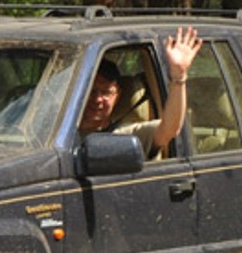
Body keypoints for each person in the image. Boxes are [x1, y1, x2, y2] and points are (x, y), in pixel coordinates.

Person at [78, 25, 203, 156]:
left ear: (118, 95)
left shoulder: (126, 136)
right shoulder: (58, 134)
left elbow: (169, 129)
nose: (97, 99)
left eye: (106, 93)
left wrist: (179, 76)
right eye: (91, 91)